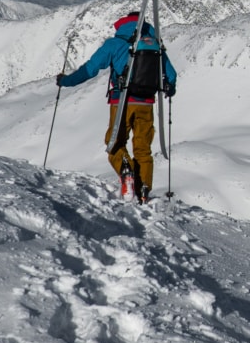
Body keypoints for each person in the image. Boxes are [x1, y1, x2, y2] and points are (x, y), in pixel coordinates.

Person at [57, 11, 176, 201]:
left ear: (123, 24)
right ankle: (144, 189)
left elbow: (90, 69)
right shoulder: (154, 45)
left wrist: (66, 81)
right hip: (146, 103)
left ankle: (125, 170)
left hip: (121, 101)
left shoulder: (115, 44)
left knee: (114, 142)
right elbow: (171, 76)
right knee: (143, 148)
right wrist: (170, 90)